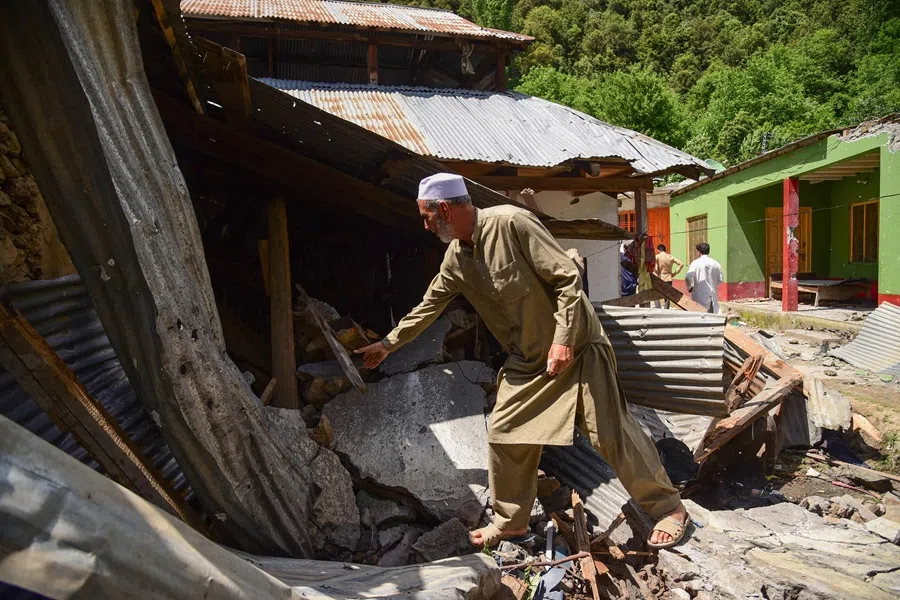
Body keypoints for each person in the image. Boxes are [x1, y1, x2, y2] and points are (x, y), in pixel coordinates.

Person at [356, 174, 690, 550]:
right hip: (529, 361)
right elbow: (430, 305)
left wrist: (563, 340)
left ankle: (668, 507)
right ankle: (511, 521)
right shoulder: (456, 258)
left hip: (577, 346)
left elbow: (567, 281)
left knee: (608, 433)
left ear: (445, 209)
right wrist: (388, 344)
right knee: (504, 431)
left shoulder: (512, 222)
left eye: (427, 217)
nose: (426, 225)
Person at [685, 242, 722, 313]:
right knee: (712, 315)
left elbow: (688, 277)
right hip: (712, 295)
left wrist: (690, 287)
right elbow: (720, 279)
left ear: (699, 252)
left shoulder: (695, 263)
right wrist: (712, 284)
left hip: (699, 296)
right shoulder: (716, 263)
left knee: (700, 316)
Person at [653, 244, 683, 309]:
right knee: (667, 295)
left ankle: (658, 308)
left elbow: (654, 267)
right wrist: (675, 273)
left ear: (658, 250)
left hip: (660, 278)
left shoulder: (657, 257)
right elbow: (681, 264)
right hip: (669, 278)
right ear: (665, 250)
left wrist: (655, 272)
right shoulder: (670, 257)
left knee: (655, 294)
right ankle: (666, 309)